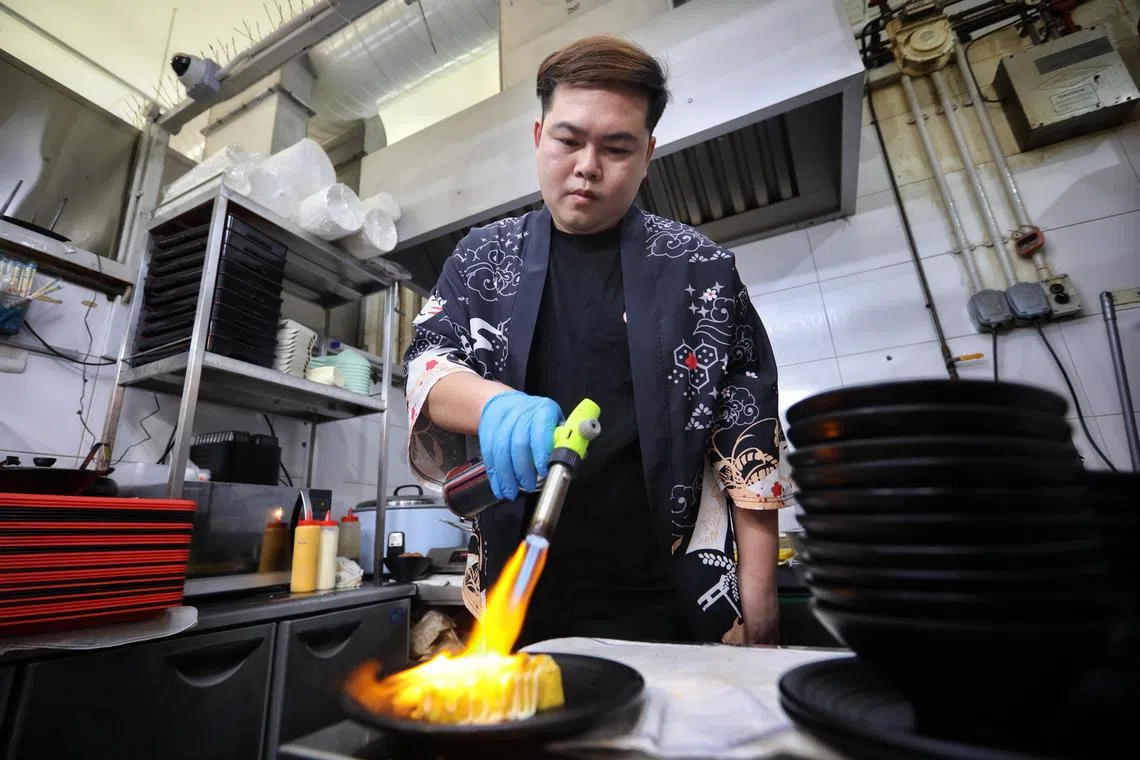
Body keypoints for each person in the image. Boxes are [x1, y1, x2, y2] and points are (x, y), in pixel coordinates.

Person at [403, 34, 790, 647]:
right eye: (568, 140)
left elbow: (748, 432)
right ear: (539, 137)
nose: (587, 166)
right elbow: (428, 364)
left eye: (616, 147)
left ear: (648, 154)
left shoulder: (700, 269)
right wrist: (494, 405)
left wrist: (760, 610)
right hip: (514, 593)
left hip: (668, 596)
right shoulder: (483, 256)